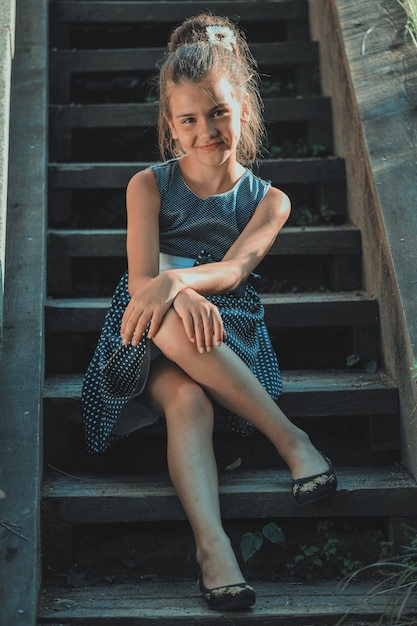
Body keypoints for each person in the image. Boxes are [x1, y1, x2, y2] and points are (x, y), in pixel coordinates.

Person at [82, 13, 337, 612]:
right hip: (143, 332)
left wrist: (180, 280)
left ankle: (236, 511)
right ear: (170, 126)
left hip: (229, 335)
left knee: (191, 386)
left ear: (243, 106)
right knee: (172, 337)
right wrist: (171, 288)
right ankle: (275, 464)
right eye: (189, 119)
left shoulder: (270, 200)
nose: (207, 130)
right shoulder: (147, 185)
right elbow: (143, 284)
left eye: (218, 112)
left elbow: (234, 271)